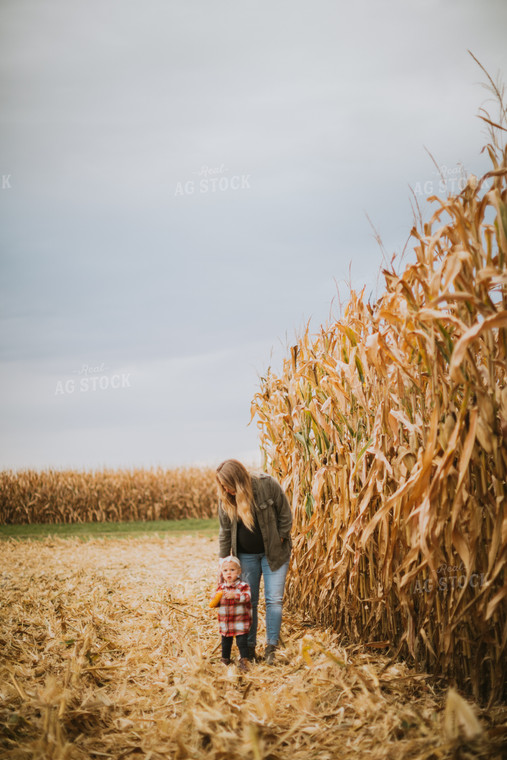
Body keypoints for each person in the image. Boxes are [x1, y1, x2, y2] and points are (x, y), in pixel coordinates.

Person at [216, 459, 292, 665]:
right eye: (222, 485)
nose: (225, 489)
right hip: (245, 557)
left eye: (228, 484)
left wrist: (282, 537)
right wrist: (223, 562)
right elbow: (224, 532)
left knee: (274, 600)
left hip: (274, 554)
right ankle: (248, 650)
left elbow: (284, 512)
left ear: (238, 479)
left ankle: (271, 648)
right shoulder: (225, 498)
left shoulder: (267, 484)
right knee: (249, 601)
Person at [210, 554, 252, 672]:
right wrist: (214, 598)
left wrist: (236, 595)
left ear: (239, 571)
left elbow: (247, 597)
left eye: (232, 570)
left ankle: (244, 660)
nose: (229, 573)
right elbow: (216, 604)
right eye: (225, 570)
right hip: (226, 622)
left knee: (242, 642)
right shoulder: (221, 588)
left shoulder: (243, 586)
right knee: (225, 642)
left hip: (240, 621)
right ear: (222, 573)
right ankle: (225, 659)